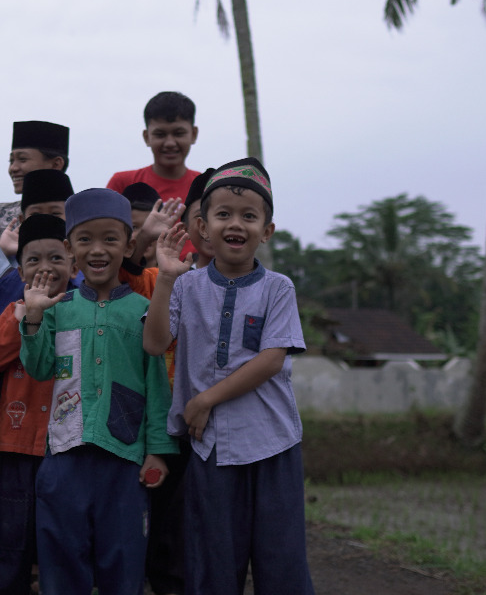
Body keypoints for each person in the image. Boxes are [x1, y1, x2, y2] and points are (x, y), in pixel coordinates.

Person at [142, 157, 314, 595]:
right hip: (211, 448)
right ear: (202, 226)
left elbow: (272, 359)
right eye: (223, 214)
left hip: (271, 442)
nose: (235, 224)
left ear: (267, 230)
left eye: (249, 216)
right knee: (212, 560)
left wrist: (203, 400)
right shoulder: (185, 285)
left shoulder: (278, 288)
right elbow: (155, 343)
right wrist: (164, 279)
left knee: (282, 562)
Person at [19, 188, 178, 594]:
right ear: (70, 249)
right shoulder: (59, 307)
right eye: (85, 240)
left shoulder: (142, 310)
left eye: (110, 239)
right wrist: (34, 318)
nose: (98, 249)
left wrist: (157, 449)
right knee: (61, 558)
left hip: (124, 460)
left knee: (123, 561)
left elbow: (158, 385)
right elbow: (38, 369)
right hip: (64, 456)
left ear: (128, 245)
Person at [0, 214, 76, 595]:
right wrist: (22, 319)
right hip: (17, 446)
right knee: (10, 542)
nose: (45, 267)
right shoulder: (12, 311)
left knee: (61, 541)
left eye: (56, 258)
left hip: (67, 445)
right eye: (33, 260)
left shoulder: (81, 310)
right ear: (20, 271)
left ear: (74, 264)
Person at [0, 168, 77, 327]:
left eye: (55, 213)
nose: (45, 221)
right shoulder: (6, 267)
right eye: (36, 214)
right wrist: (1, 253)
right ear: (22, 219)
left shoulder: (81, 265)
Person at [0, 120, 69, 264]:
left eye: (22, 159)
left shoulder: (81, 215)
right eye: (11, 161)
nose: (13, 168)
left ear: (56, 164)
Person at [106, 92, 201, 202]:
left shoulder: (206, 186)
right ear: (146, 137)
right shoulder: (122, 184)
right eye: (160, 134)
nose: (170, 143)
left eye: (178, 133)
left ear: (193, 134)